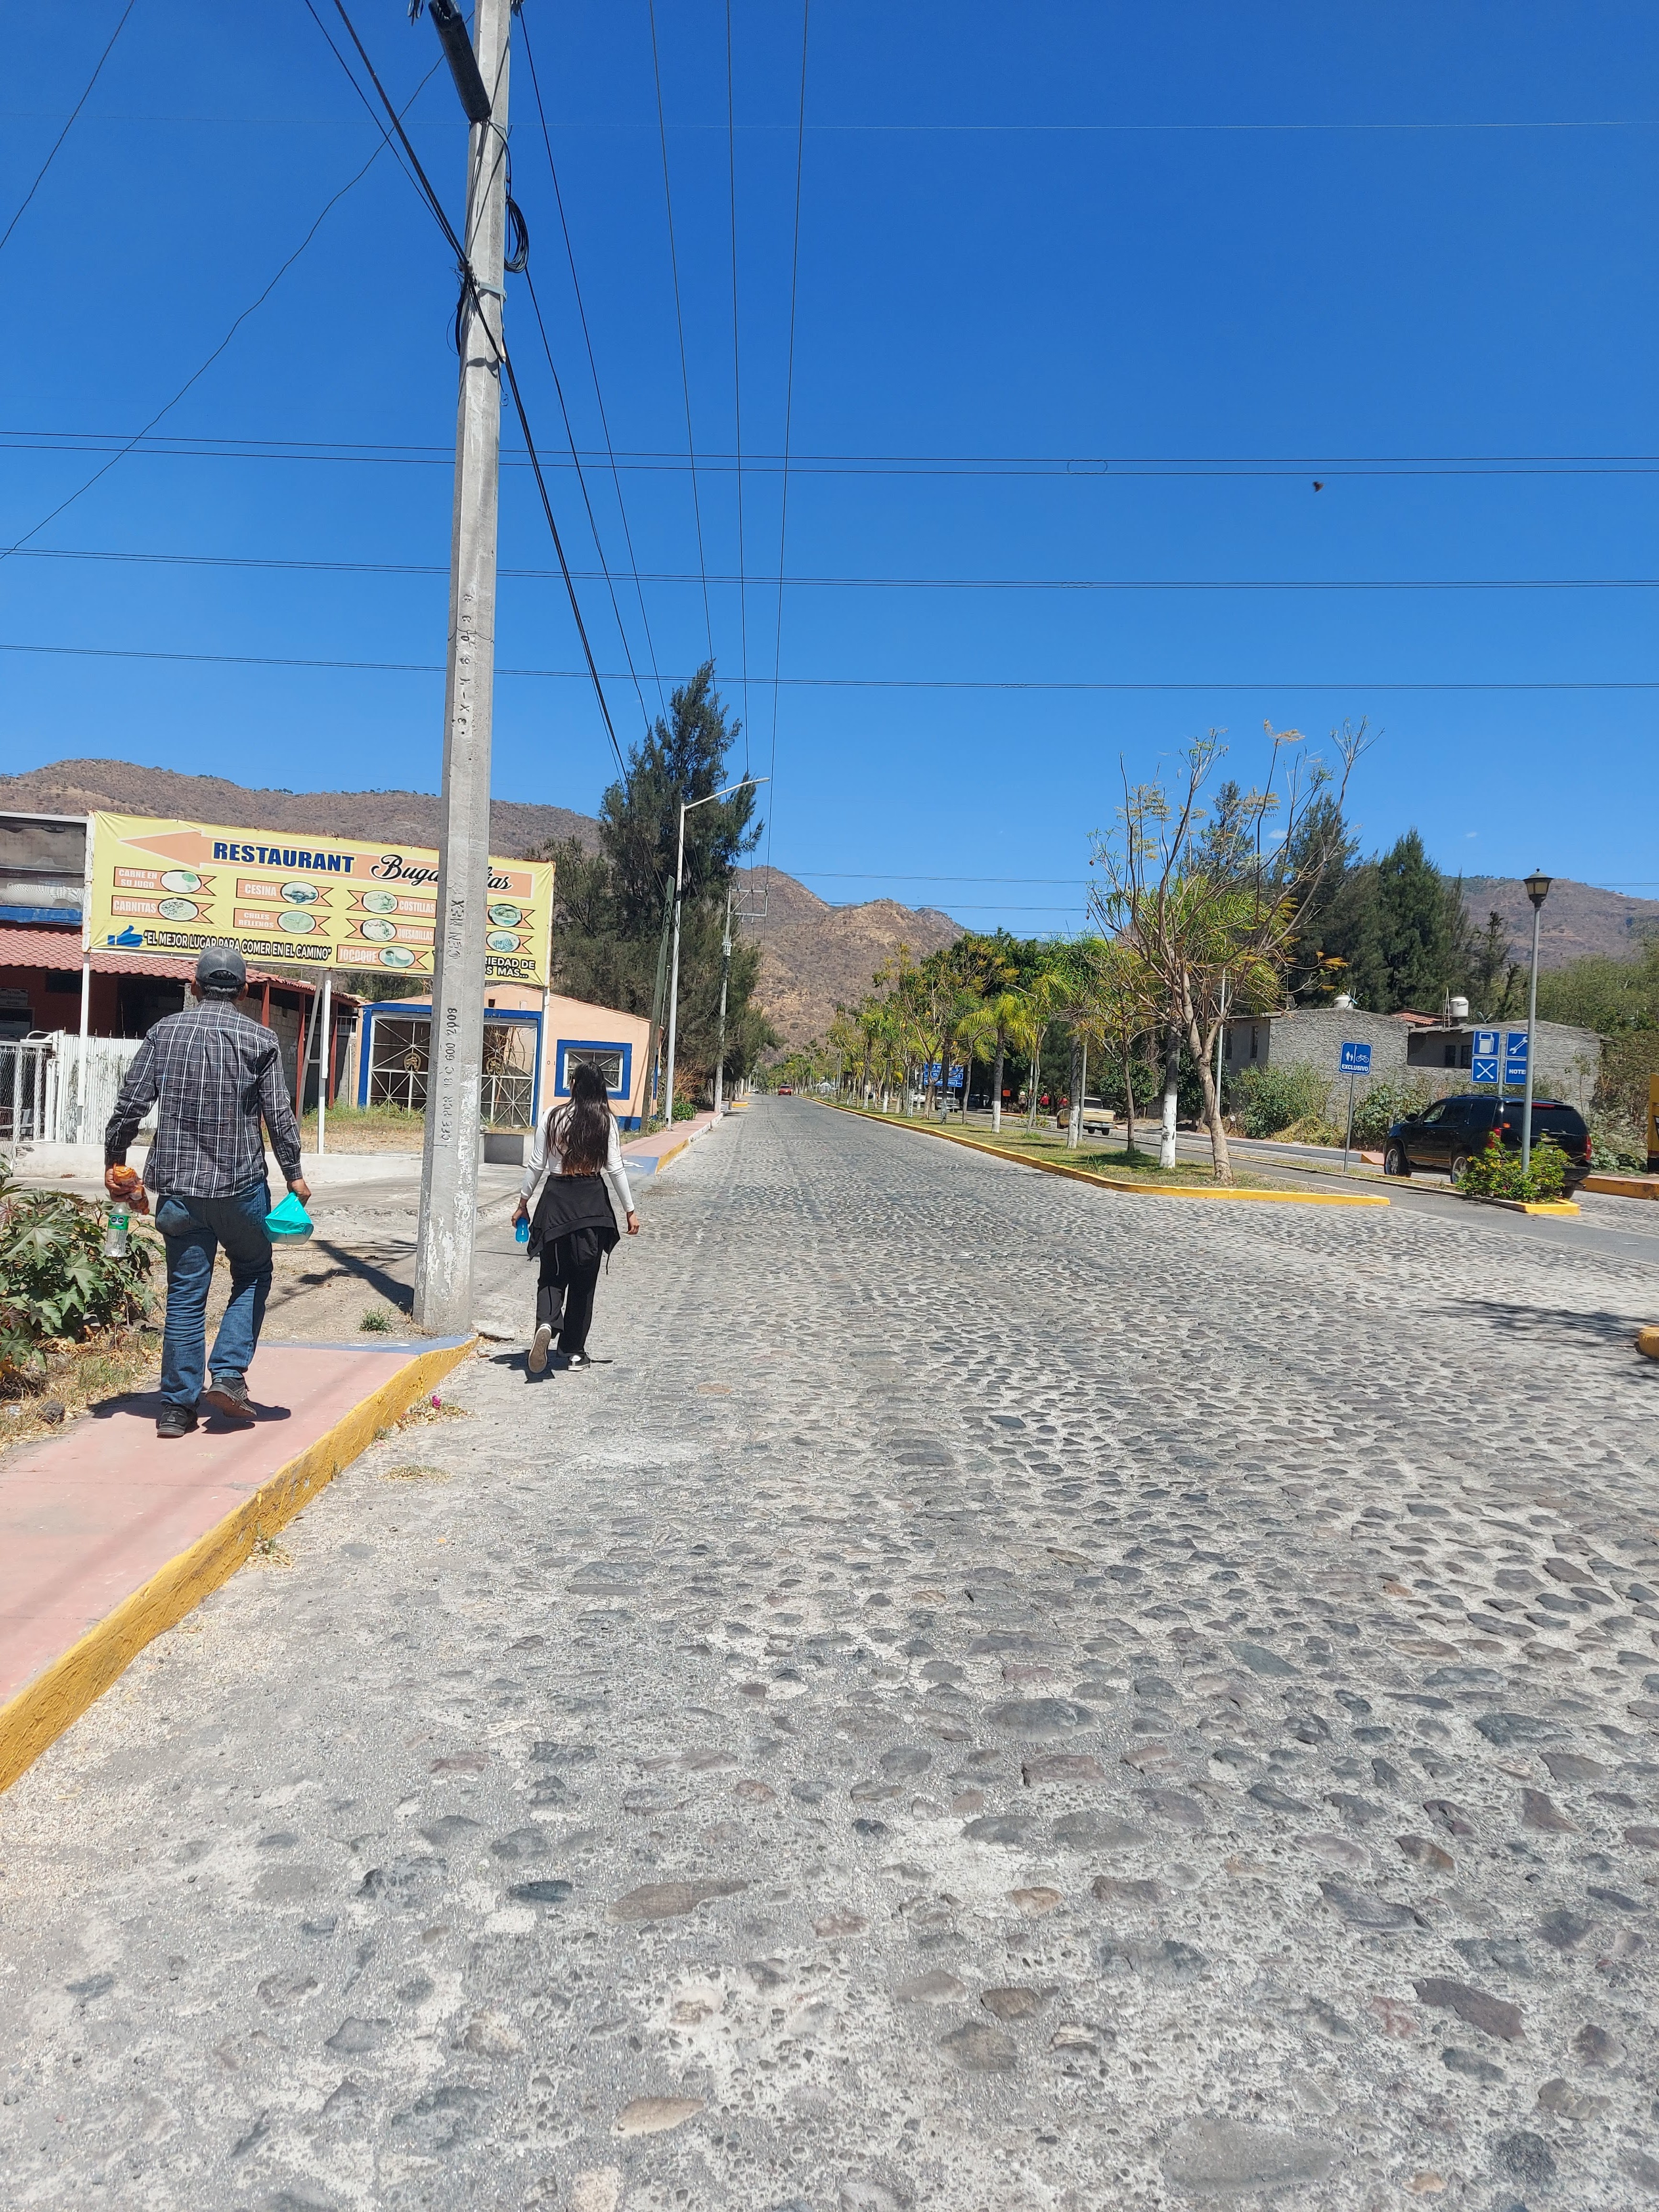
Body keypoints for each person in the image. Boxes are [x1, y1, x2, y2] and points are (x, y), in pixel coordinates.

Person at [104, 944, 311, 1439]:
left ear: (194, 987)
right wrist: (295, 1174)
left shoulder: (164, 1032)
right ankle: (228, 1375)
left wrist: (114, 1162)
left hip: (177, 1192)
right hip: (240, 1190)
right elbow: (278, 1117)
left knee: (185, 1295)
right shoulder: (259, 1039)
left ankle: (176, 1408)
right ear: (243, 991)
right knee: (255, 1270)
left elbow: (129, 1106)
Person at [512, 1061, 639, 1373]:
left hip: (556, 1204)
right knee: (584, 1283)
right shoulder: (607, 1120)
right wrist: (630, 1210)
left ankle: (546, 1324)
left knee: (553, 1275)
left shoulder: (551, 1117)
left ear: (573, 1085)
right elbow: (616, 1168)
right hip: (592, 1206)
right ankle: (575, 1352)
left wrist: (523, 1203)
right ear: (602, 1088)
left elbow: (536, 1165)